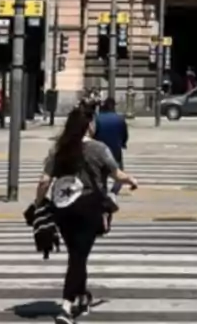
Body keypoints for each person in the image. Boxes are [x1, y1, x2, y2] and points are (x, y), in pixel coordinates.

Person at [37, 108, 138, 324]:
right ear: (90, 126)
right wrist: (131, 180)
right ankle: (66, 306)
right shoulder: (99, 149)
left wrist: (38, 204)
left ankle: (82, 296)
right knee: (78, 257)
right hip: (88, 207)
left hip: (62, 208)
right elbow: (116, 173)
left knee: (76, 254)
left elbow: (44, 180)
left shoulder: (59, 149)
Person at [93, 98, 129, 195]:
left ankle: (102, 191)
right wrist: (123, 143)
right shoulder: (119, 119)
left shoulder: (97, 118)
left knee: (101, 174)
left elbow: (93, 134)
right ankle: (113, 192)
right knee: (119, 173)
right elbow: (124, 134)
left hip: (100, 151)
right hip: (115, 150)